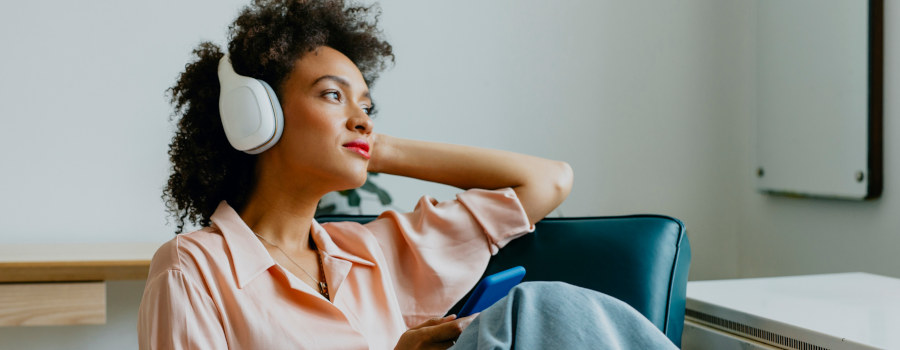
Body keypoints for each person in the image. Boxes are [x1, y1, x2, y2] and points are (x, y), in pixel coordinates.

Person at [139, 1, 675, 349]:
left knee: (546, 309)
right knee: (540, 308)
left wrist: (373, 145)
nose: (361, 117)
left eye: (367, 106)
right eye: (332, 95)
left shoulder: (373, 253)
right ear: (255, 117)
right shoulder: (193, 270)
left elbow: (547, 181)